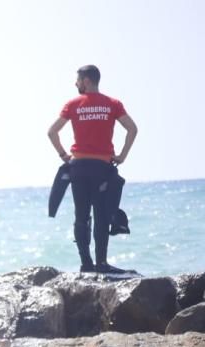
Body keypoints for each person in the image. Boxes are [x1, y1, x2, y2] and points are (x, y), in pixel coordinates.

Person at [48, 64, 139, 273]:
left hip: (78, 167)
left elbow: (52, 132)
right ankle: (102, 263)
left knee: (81, 215)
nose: (76, 83)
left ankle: (85, 264)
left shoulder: (72, 104)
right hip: (102, 169)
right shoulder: (113, 104)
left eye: (78, 80)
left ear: (87, 80)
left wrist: (63, 155)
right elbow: (132, 129)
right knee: (101, 215)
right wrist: (123, 156)